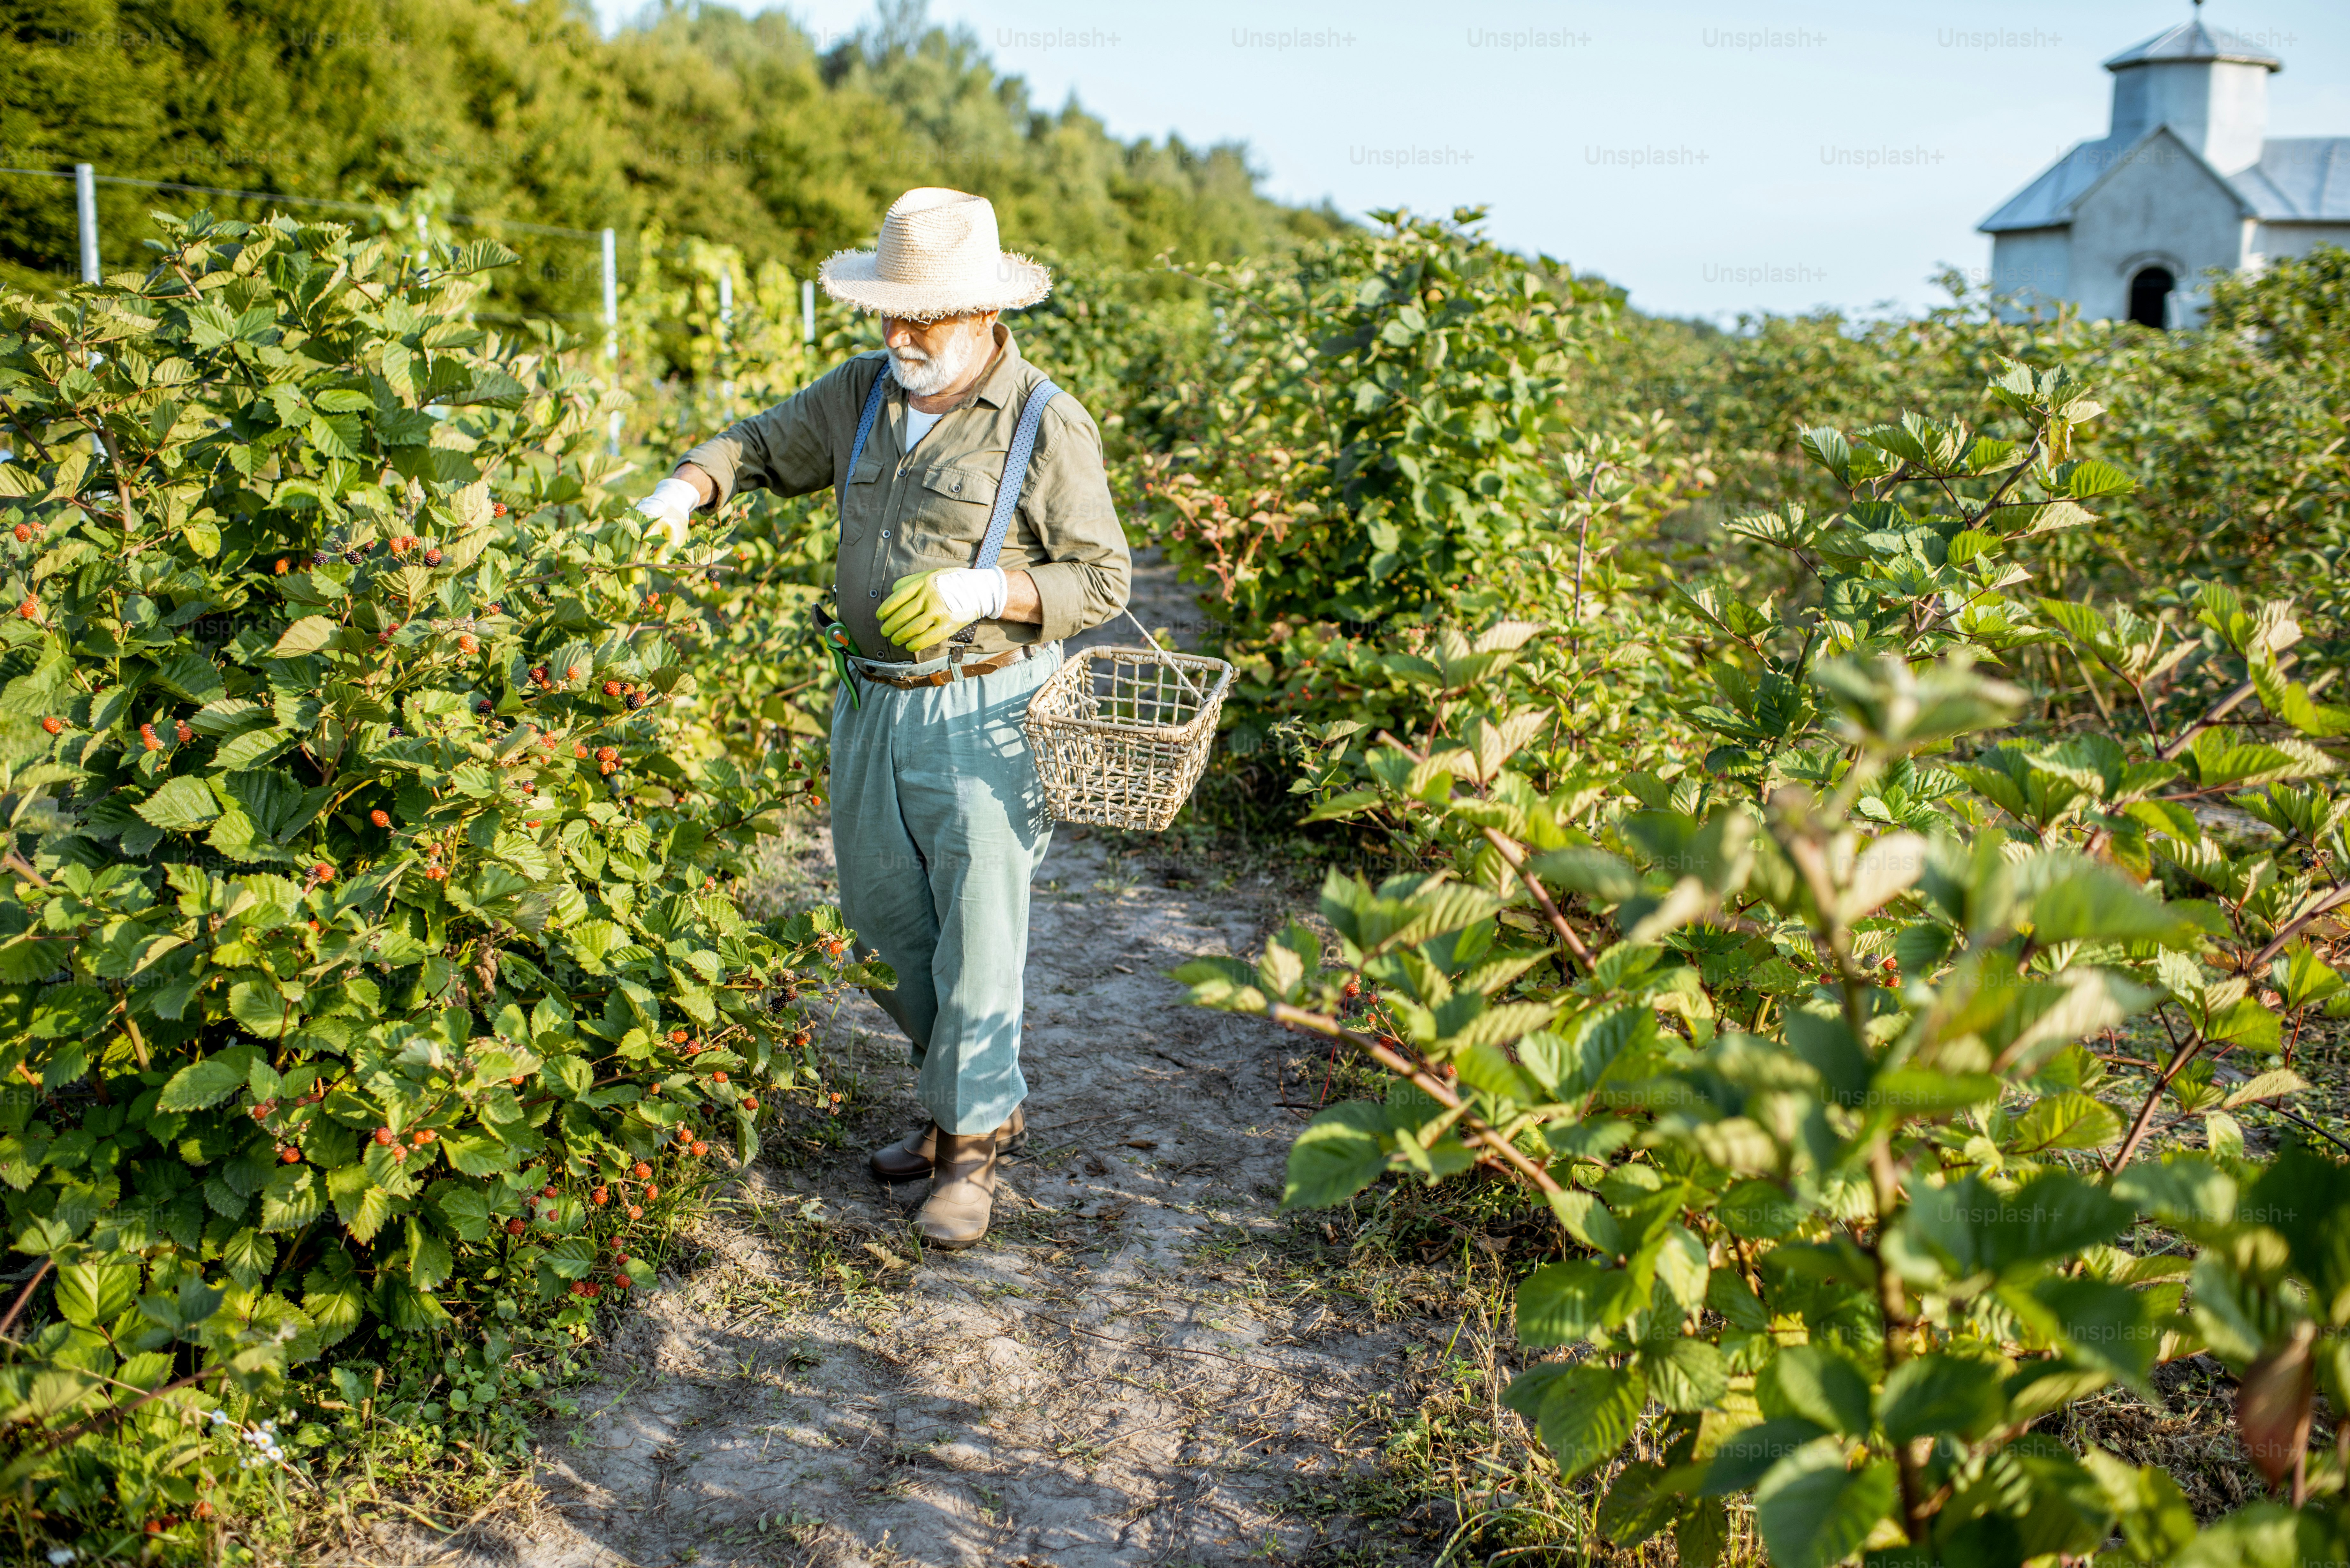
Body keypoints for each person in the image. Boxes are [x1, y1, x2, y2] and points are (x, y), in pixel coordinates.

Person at [632, 188, 1130, 1249]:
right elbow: (760, 445)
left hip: (985, 707)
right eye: (890, 315)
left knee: (979, 934)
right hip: (869, 699)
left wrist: (989, 593)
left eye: (925, 319)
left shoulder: (1045, 420)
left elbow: (1105, 579)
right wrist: (686, 489)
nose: (900, 337)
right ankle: (974, 1097)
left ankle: (967, 1153)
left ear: (987, 315)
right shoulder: (863, 393)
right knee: (883, 923)